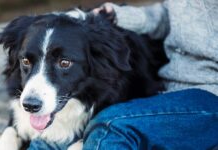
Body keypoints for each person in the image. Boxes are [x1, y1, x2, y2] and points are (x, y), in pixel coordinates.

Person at [28, 1, 218, 149]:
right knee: (47, 142)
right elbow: (172, 16)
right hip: (169, 86)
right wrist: (116, 16)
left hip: (210, 91)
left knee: (111, 127)